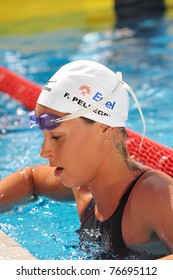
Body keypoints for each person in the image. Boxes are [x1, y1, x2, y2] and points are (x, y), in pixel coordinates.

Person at [0, 60, 173, 260]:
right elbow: (29, 180)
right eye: (45, 137)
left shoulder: (156, 196)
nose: (44, 151)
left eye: (57, 137)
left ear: (104, 129)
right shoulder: (85, 189)